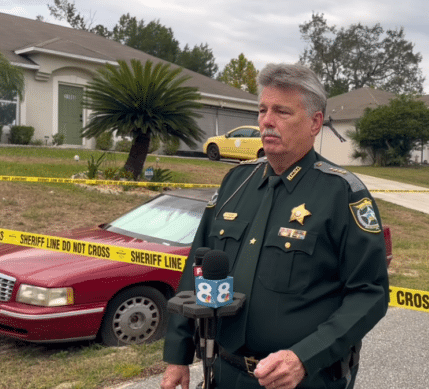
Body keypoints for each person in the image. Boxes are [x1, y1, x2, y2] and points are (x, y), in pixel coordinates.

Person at [160, 63, 389, 389]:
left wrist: (305, 357)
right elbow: (197, 269)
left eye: (282, 111)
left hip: (304, 379)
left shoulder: (342, 195)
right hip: (224, 372)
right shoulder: (236, 183)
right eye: (263, 110)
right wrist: (177, 354)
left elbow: (370, 295)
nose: (267, 121)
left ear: (315, 123)